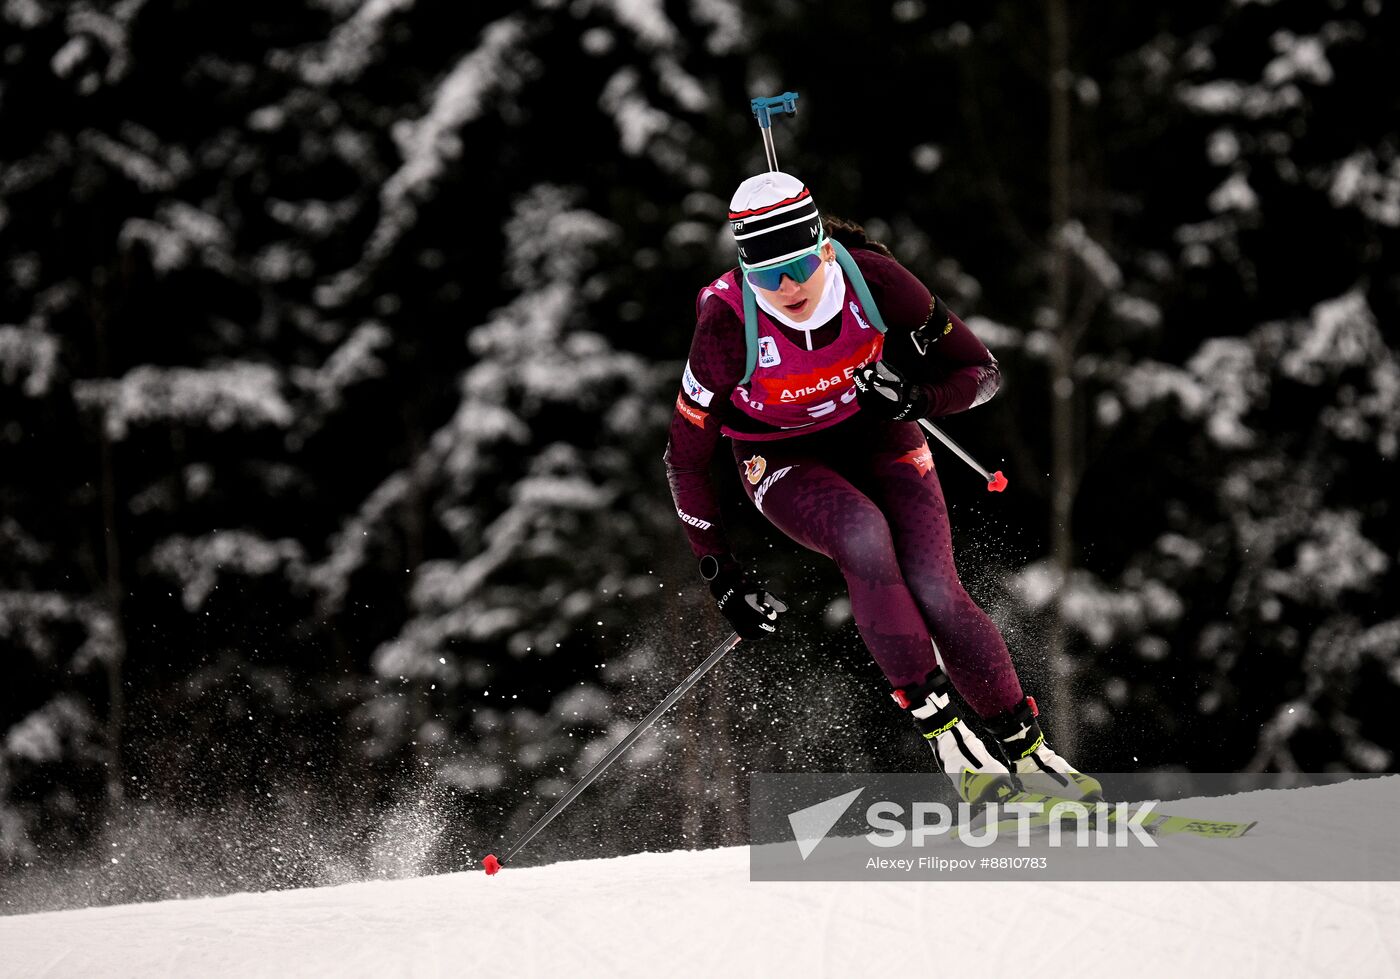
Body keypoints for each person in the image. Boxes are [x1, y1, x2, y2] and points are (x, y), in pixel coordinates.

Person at [663, 171, 1100, 804]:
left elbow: (982, 373)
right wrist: (719, 569)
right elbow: (684, 459)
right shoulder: (727, 328)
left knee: (935, 588)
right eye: (764, 273)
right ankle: (952, 743)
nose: (784, 287)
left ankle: (1029, 753)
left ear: (820, 248)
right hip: (779, 458)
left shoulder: (876, 281)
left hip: (876, 434)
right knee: (863, 535)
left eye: (794, 267)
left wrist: (916, 397)